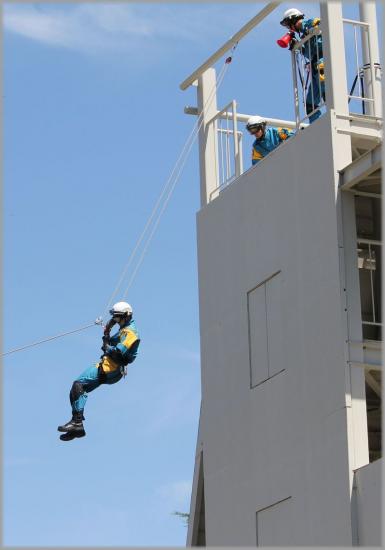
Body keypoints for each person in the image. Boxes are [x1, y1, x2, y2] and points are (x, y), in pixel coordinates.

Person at [58, 301, 140, 441]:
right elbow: (111, 341)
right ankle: (77, 427)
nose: (115, 319)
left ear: (125, 316)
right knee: (76, 390)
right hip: (109, 367)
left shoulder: (130, 333)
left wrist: (107, 346)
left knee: (78, 385)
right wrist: (108, 330)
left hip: (111, 368)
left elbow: (117, 352)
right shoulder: (124, 329)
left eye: (117, 317)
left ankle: (77, 423)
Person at [280, 8, 325, 123]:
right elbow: (309, 52)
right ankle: (317, 125)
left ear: (293, 20)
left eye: (288, 25)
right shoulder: (303, 34)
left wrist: (313, 28)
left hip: (323, 60)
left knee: (327, 88)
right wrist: (298, 46)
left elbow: (318, 25)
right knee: (310, 104)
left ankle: (336, 115)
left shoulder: (310, 23)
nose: (289, 28)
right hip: (315, 65)